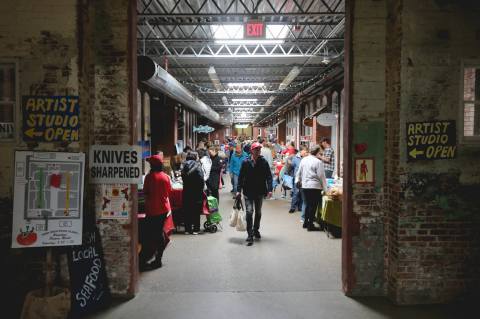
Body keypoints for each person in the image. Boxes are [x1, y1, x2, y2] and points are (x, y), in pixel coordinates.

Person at [237, 142, 273, 245]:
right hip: (248, 191)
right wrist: (238, 190)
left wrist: (270, 189)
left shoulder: (264, 162)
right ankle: (250, 234)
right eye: (256, 149)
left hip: (260, 191)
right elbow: (240, 177)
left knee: (258, 212)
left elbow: (269, 177)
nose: (258, 151)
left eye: (259, 149)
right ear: (251, 151)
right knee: (249, 212)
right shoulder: (245, 162)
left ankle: (256, 229)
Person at [140, 154, 172, 270]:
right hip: (163, 209)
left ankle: (156, 260)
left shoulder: (149, 177)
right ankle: (157, 258)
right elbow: (169, 191)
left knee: (152, 235)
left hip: (152, 209)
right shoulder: (165, 176)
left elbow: (145, 192)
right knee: (158, 232)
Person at [295, 145, 327, 231]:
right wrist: (325, 189)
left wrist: (297, 181)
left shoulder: (304, 160)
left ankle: (305, 222)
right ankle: (310, 225)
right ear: (317, 152)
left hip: (305, 186)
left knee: (307, 204)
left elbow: (299, 172)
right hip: (315, 186)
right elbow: (321, 176)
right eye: (320, 152)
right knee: (313, 206)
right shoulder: (318, 162)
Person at [181, 152, 205, 235]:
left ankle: (187, 229)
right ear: (195, 157)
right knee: (196, 211)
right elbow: (201, 179)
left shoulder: (183, 165)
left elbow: (183, 177)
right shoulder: (198, 165)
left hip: (186, 191)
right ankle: (196, 229)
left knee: (187, 210)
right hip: (196, 191)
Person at [289, 145, 308, 213]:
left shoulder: (306, 158)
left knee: (302, 193)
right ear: (301, 151)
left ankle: (300, 207)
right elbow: (292, 167)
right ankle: (292, 207)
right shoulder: (295, 158)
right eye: (305, 151)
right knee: (296, 192)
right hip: (297, 178)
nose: (306, 152)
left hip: (304, 178)